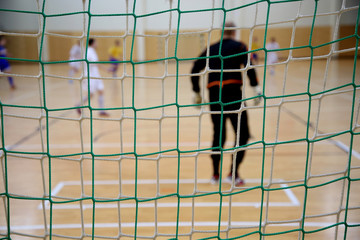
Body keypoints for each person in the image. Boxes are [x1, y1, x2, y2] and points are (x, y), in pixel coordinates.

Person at [190, 22, 262, 187]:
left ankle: (215, 174)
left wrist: (197, 92)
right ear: (234, 32)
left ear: (222, 32)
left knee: (218, 135)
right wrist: (256, 87)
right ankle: (233, 173)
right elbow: (249, 66)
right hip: (234, 95)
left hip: (215, 96)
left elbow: (195, 68)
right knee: (242, 135)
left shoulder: (212, 48)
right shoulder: (239, 46)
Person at [77, 38, 109, 117]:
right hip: (90, 76)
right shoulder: (89, 51)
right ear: (93, 43)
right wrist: (106, 69)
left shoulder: (92, 51)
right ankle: (79, 105)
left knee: (101, 91)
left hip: (96, 75)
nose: (97, 44)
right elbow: (95, 63)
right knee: (91, 94)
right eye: (96, 42)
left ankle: (101, 110)